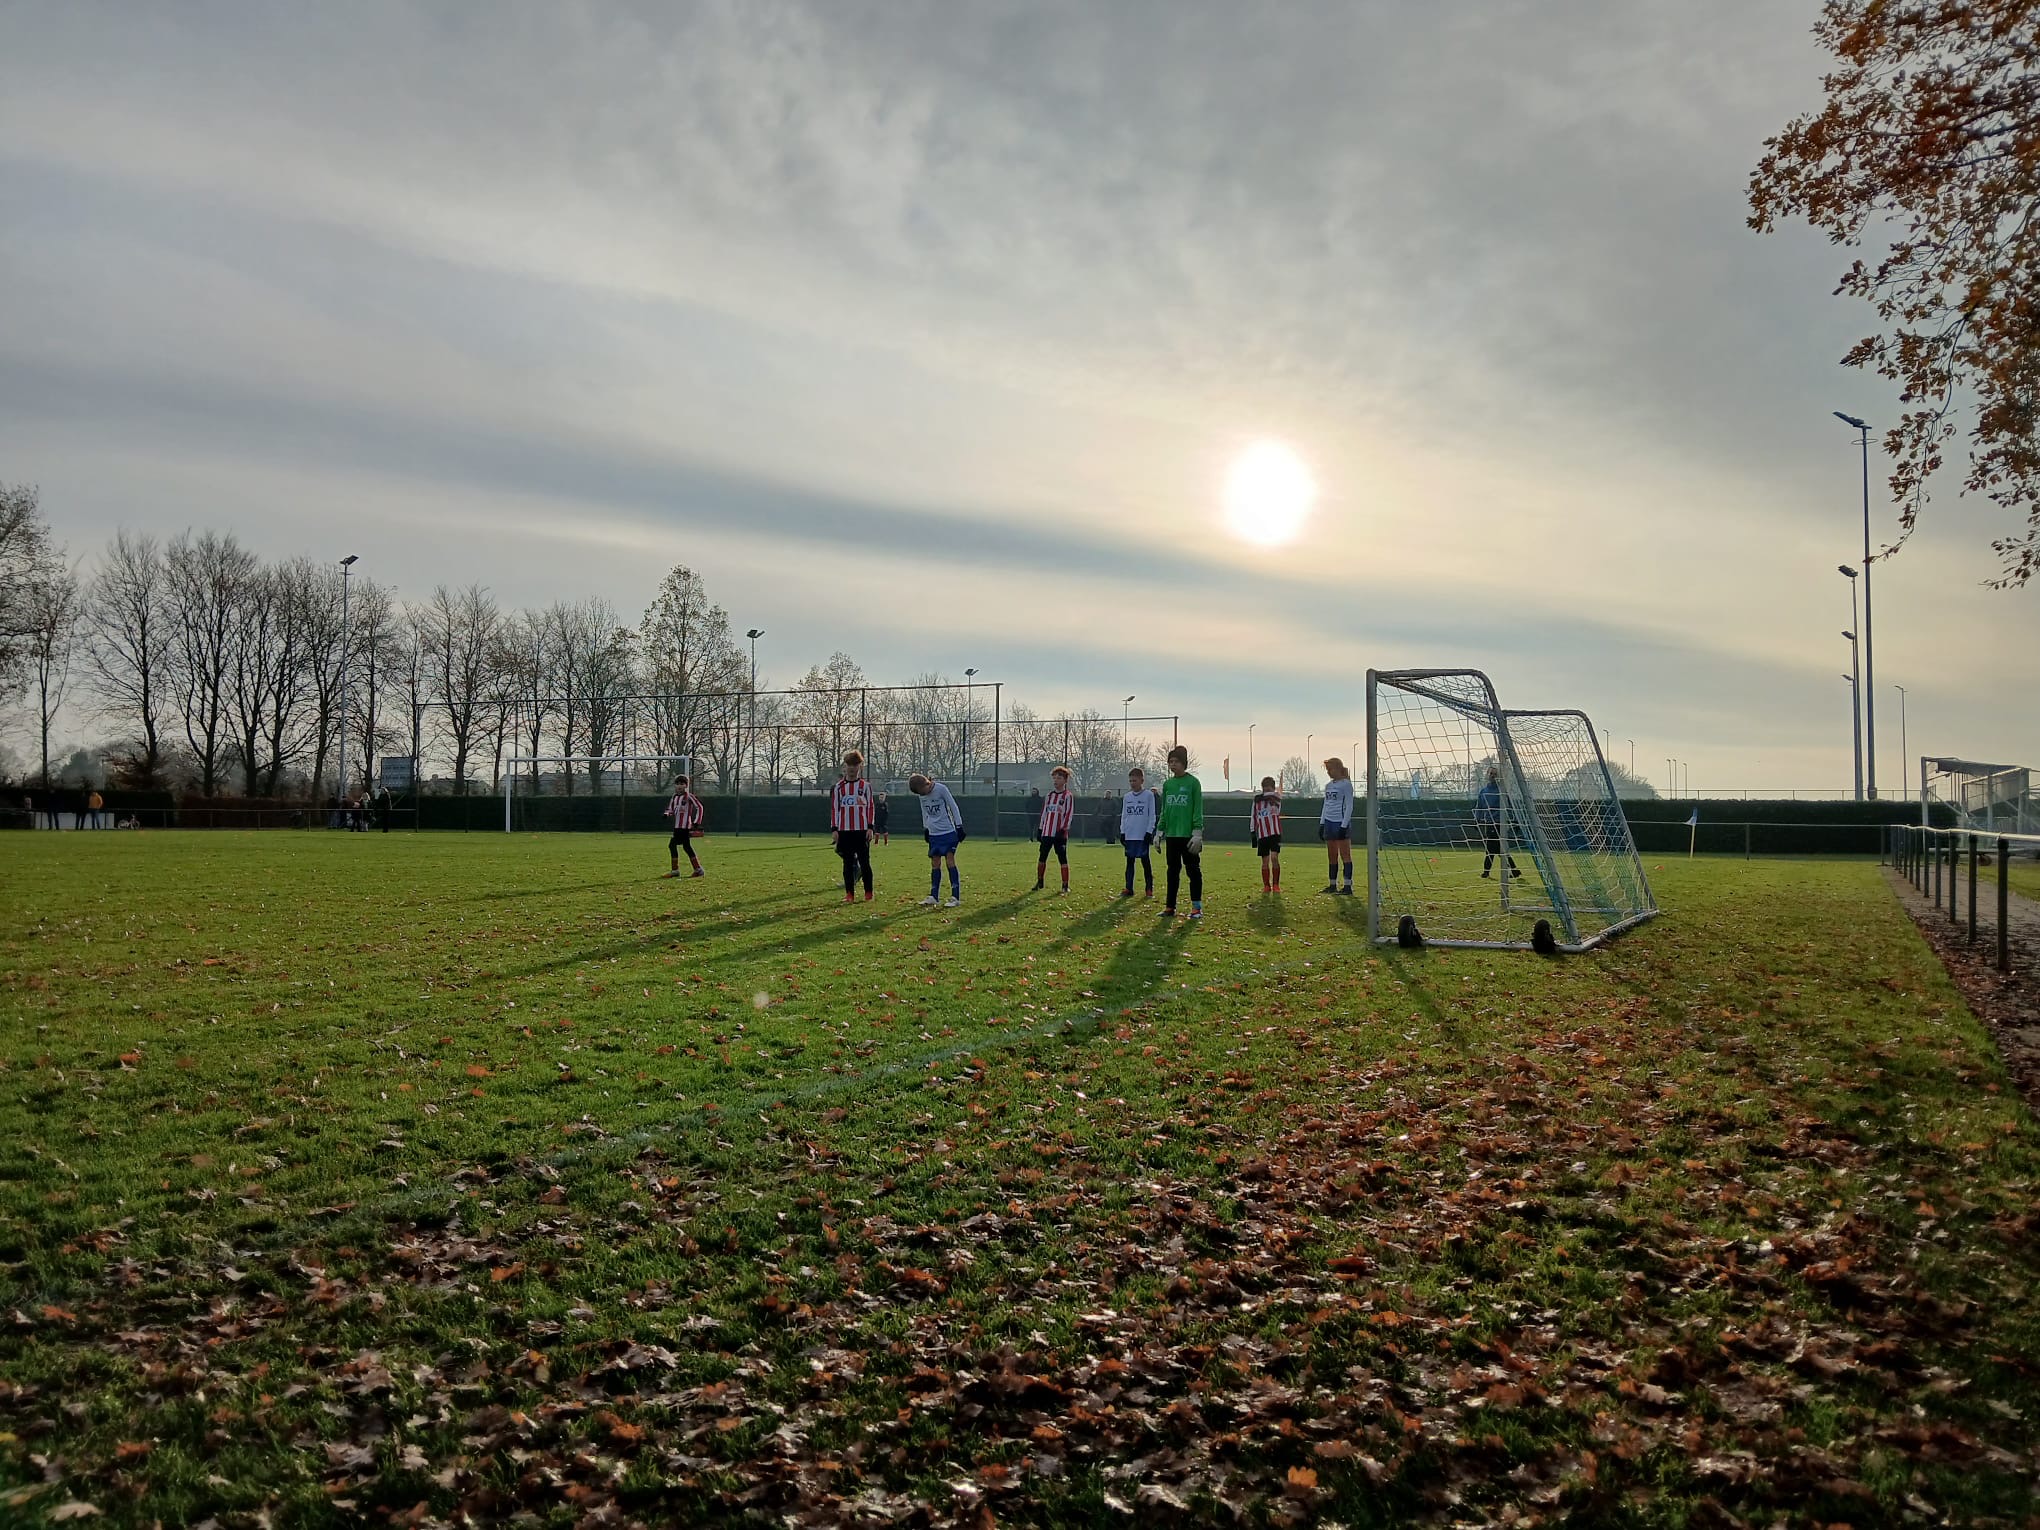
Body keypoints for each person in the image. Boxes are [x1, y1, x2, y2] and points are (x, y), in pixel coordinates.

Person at [1157, 745, 1204, 918]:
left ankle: (1196, 908)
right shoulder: (1168, 784)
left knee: (1193, 871)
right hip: (1172, 836)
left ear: (1183, 763)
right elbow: (1164, 810)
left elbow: (1197, 809)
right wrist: (1159, 831)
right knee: (1172, 872)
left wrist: (1197, 832)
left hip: (1189, 836)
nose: (1173, 765)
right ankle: (1170, 907)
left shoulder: (1193, 783)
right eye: (1170, 762)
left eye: (1176, 761)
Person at [830, 750, 878, 903]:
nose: (851, 768)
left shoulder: (865, 786)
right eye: (849, 765)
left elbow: (870, 807)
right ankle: (849, 894)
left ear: (860, 767)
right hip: (844, 831)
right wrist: (834, 829)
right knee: (848, 864)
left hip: (862, 830)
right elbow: (834, 808)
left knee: (865, 863)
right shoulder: (838, 787)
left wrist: (870, 827)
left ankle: (868, 893)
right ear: (845, 767)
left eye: (855, 765)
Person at [909, 771, 963, 907]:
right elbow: (924, 811)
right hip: (934, 834)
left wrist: (959, 826)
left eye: (922, 791)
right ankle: (934, 896)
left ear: (925, 784)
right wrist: (926, 828)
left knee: (950, 861)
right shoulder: (922, 795)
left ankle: (955, 897)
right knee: (935, 863)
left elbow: (953, 807)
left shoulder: (941, 789)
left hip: (948, 832)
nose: (922, 795)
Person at [1034, 765, 1076, 893]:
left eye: (1059, 778)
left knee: (1062, 858)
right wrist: (1040, 829)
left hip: (1059, 833)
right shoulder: (1050, 796)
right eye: (1054, 778)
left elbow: (1068, 814)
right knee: (1042, 856)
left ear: (1065, 780)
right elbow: (1044, 813)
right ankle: (1040, 881)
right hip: (1047, 832)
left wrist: (1063, 829)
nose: (1056, 780)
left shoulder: (1067, 796)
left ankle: (1065, 885)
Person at [1118, 767, 1159, 898]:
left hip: (1142, 835)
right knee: (1129, 862)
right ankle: (1129, 888)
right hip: (1130, 834)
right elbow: (1124, 815)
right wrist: (1122, 832)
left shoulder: (1148, 795)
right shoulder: (1127, 797)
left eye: (1134, 780)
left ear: (1142, 780)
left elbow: (1152, 815)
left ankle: (1149, 889)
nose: (1132, 783)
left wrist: (1149, 832)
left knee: (1145, 862)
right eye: (1130, 781)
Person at [1476, 766, 1521, 879]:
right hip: (1489, 823)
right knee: (1498, 849)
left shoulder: (1502, 791)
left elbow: (1511, 806)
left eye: (1495, 774)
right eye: (1491, 773)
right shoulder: (1483, 791)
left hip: (1500, 824)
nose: (1492, 776)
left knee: (1491, 848)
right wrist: (1477, 820)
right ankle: (1514, 870)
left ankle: (1486, 872)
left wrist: (1515, 820)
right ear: (1487, 775)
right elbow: (1480, 807)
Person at [1319, 757, 1355, 895]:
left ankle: (1347, 886)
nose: (1329, 772)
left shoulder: (1346, 784)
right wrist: (1322, 823)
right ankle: (1332, 884)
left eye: (1330, 769)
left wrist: (1344, 825)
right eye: (1327, 770)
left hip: (1340, 822)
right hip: (1329, 822)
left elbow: (1349, 806)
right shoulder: (1328, 786)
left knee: (1345, 854)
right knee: (1331, 855)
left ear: (1338, 768)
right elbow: (1326, 805)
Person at [663, 773, 706, 878]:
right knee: (686, 847)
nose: (679, 786)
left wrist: (697, 822)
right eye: (677, 784)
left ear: (686, 785)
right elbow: (671, 809)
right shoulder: (674, 797)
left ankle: (676, 871)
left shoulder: (689, 797)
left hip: (685, 827)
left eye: (682, 783)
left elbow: (700, 807)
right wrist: (667, 814)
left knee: (674, 845)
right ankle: (698, 869)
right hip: (677, 827)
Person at [1252, 776, 1283, 893]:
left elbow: (1275, 796)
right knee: (1265, 862)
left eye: (1268, 788)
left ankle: (1276, 884)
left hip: (1275, 833)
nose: (1266, 790)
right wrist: (1253, 833)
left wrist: (1260, 796)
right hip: (1262, 834)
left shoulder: (1276, 798)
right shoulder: (1257, 801)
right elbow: (1253, 816)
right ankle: (1266, 885)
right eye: (1264, 788)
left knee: (1274, 858)